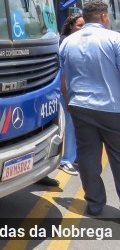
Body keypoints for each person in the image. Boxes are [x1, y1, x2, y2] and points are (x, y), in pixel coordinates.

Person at [59, 0, 120, 216]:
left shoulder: (67, 42)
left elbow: (64, 79)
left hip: (79, 107)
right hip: (112, 108)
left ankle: (94, 204)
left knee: (87, 157)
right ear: (104, 17)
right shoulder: (115, 39)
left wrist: (68, 103)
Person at [58, 13, 85, 176]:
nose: (82, 28)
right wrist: (66, 96)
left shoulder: (78, 41)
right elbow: (62, 74)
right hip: (65, 90)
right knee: (69, 125)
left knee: (75, 126)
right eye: (79, 25)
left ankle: (73, 157)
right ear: (70, 26)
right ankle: (66, 160)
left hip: (73, 89)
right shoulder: (64, 42)